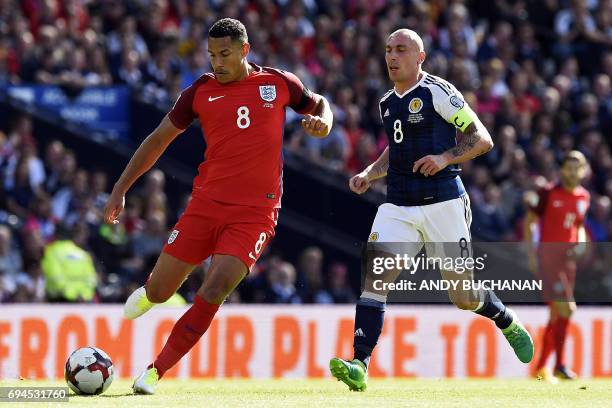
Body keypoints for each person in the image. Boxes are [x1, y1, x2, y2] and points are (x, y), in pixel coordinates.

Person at [102, 18, 332, 394]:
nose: (217, 63)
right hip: (206, 206)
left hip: (255, 215)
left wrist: (323, 120)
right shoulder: (199, 93)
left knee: (213, 290)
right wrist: (120, 188)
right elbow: (158, 140)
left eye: (224, 54)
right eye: (211, 55)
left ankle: (155, 372)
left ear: (245, 49)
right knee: (160, 291)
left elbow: (319, 104)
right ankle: (150, 294)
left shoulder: (278, 83)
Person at [329, 29, 534, 391]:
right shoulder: (387, 102)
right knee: (375, 279)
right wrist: (368, 173)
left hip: (444, 204)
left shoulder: (437, 91)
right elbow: (396, 149)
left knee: (463, 296)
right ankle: (359, 363)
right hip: (398, 205)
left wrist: (444, 157)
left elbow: (481, 139)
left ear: (420, 57)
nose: (392, 56)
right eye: (389, 50)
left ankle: (504, 317)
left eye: (401, 50)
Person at [524, 150, 590, 382]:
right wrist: (531, 254)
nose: (572, 172)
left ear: (583, 171)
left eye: (577, 167)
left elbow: (579, 225)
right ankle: (560, 365)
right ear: (562, 170)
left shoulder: (584, 197)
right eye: (569, 167)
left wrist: (581, 242)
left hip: (568, 262)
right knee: (567, 309)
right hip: (549, 260)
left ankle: (540, 369)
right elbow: (530, 222)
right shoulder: (548, 193)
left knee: (556, 315)